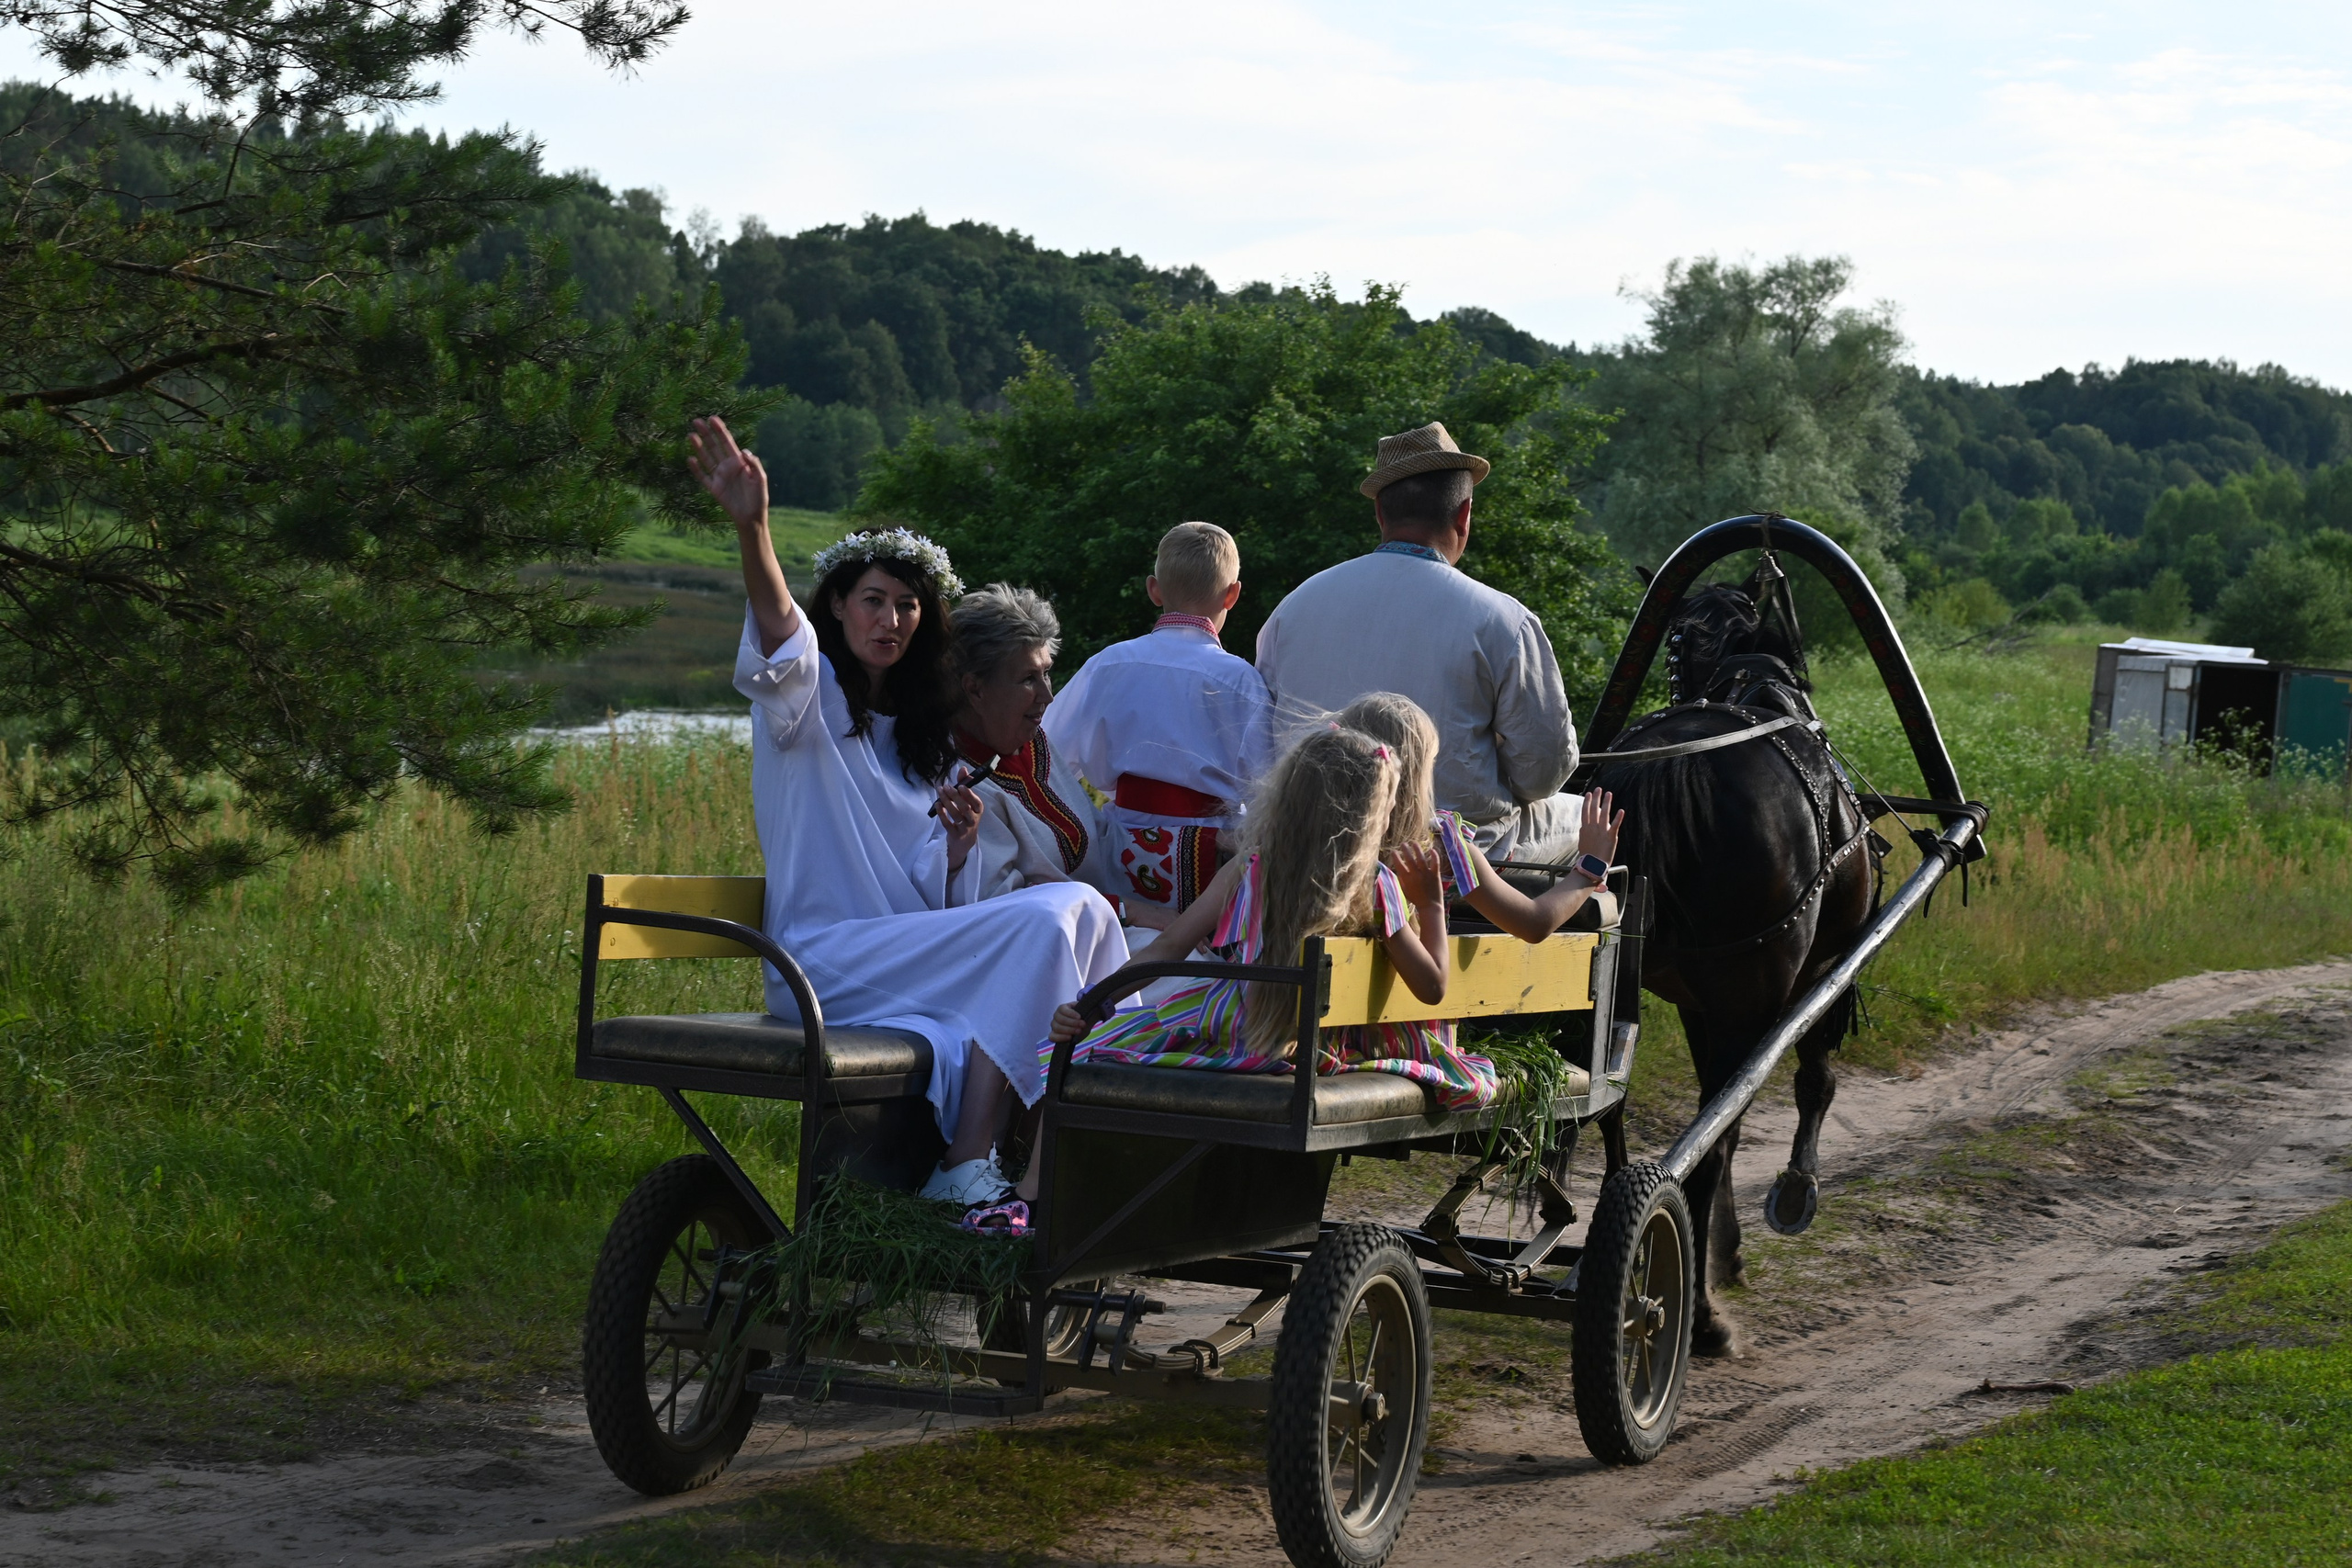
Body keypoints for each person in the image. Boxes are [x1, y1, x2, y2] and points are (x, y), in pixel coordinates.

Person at [686, 416, 1126, 1210]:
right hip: (819, 963)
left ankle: (1055, 1147)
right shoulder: (805, 703)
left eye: (907, 605)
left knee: (1082, 907)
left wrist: (954, 853)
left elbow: (920, 890)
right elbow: (782, 629)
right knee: (1046, 917)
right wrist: (753, 529)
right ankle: (967, 1164)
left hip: (895, 957)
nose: (889, 620)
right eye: (872, 602)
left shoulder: (918, 741)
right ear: (841, 607)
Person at [960, 726, 1462, 1235]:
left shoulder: (1250, 869)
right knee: (1100, 1045)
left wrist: (1091, 1006)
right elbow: (1434, 987)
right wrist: (1431, 904)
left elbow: (1165, 949)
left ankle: (1031, 1199)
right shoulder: (1375, 887)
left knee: (1083, 1052)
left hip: (1227, 1034)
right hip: (1306, 1048)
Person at [1255, 423, 1584, 864]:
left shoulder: (1294, 607)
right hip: (1442, 857)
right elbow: (1544, 774)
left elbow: (1263, 742)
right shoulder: (1502, 620)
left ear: (1380, 515)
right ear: (1464, 514)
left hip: (1310, 846)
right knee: (1589, 816)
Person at [1043, 521, 1278, 927]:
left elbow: (1045, 758)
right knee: (1198, 966)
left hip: (1119, 847)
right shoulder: (1241, 682)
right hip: (1214, 855)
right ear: (1233, 595)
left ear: (1154, 589)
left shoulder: (1108, 664)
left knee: (1118, 955)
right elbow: (1266, 793)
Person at [1333, 693, 1622, 941]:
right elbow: (1533, 924)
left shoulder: (1318, 836)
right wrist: (1589, 869)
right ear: (1417, 777)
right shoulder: (1440, 848)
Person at [947, 583, 1120, 906]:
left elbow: (1100, 838)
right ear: (975, 689)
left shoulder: (1032, 741)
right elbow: (1009, 905)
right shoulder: (958, 781)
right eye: (1028, 679)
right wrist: (1128, 911)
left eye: (1046, 673)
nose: (1048, 696)